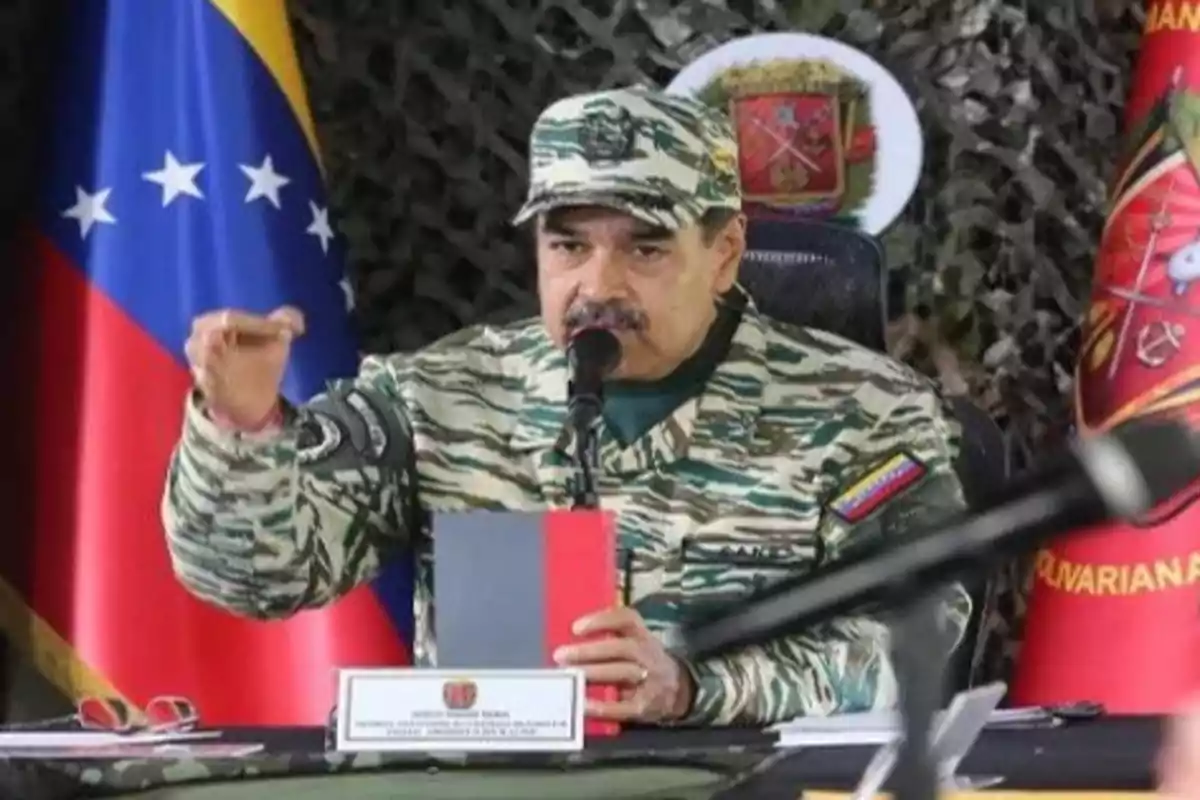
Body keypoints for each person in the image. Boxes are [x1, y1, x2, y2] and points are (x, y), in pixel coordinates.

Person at [163, 85, 972, 727]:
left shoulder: (864, 410)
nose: (598, 286)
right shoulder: (437, 398)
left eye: (645, 248)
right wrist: (243, 430)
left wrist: (695, 686)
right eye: (568, 245)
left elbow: (916, 636)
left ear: (724, 254)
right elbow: (255, 581)